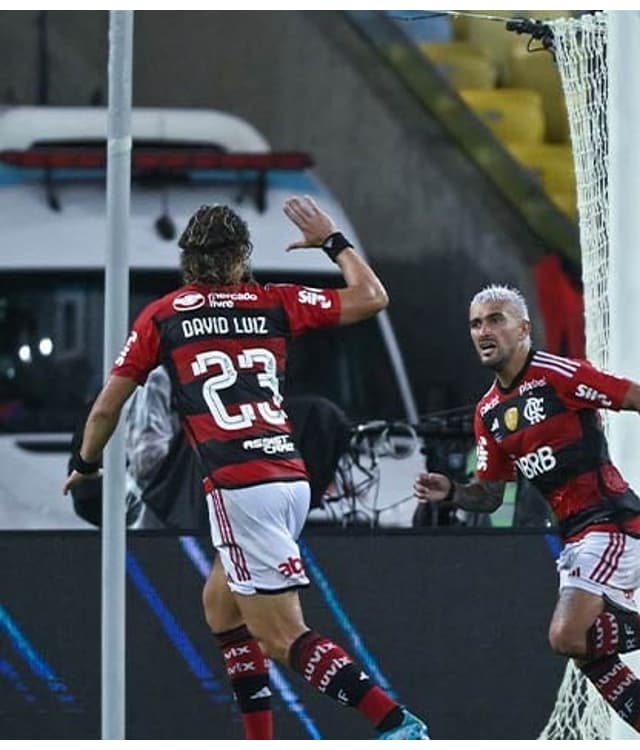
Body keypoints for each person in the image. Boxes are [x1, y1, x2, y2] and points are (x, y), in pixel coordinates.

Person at [62, 198, 428, 740]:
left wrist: (85, 465)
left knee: (282, 637)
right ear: (242, 257)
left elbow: (105, 408)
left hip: (239, 488)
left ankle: (396, 725)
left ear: (188, 260)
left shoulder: (164, 316)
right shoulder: (273, 302)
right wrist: (332, 241)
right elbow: (372, 297)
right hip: (289, 478)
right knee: (221, 606)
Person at [412, 284, 640, 740]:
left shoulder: (556, 376)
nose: (484, 330)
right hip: (578, 537)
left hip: (612, 521)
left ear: (524, 329)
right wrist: (451, 492)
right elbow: (489, 497)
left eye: (495, 319)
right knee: (589, 653)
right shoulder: (488, 412)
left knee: (566, 636)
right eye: (475, 323)